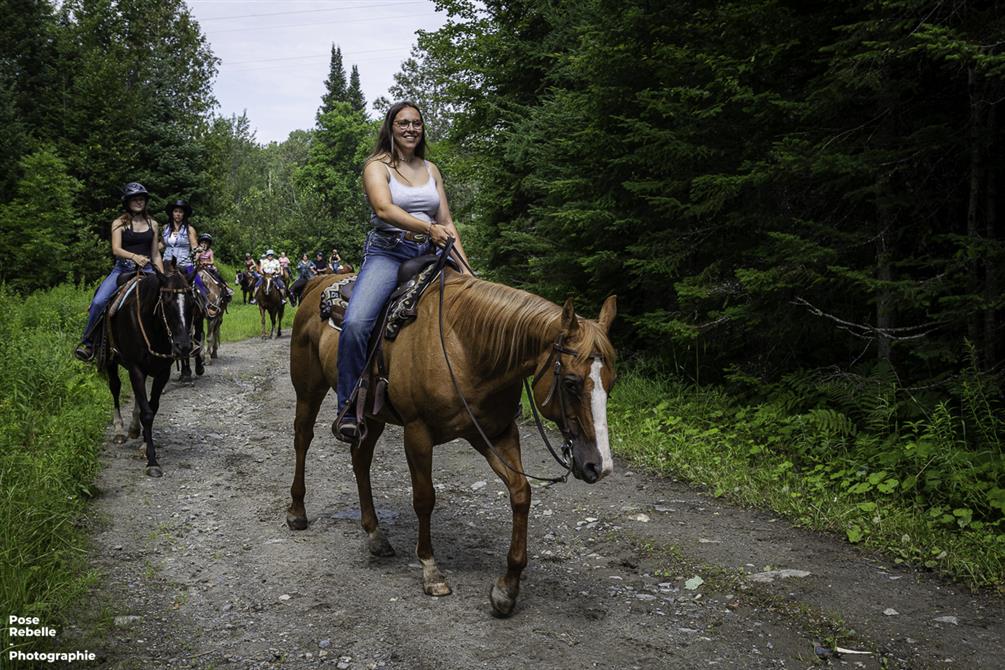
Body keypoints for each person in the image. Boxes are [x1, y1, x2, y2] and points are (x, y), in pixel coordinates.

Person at [334, 101, 470, 442]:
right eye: (403, 123)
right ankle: (349, 406)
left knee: (475, 309)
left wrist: (468, 272)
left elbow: (447, 222)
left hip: (434, 250)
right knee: (355, 322)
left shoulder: (431, 169)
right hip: (390, 252)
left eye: (416, 124)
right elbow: (384, 208)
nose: (411, 129)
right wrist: (427, 230)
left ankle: (476, 395)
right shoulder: (377, 167)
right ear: (391, 127)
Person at [75, 182, 165, 362]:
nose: (139, 202)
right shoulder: (119, 223)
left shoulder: (153, 224)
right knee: (99, 301)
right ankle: (89, 343)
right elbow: (116, 249)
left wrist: (162, 277)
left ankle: (176, 340)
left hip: (147, 269)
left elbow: (155, 254)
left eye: (141, 199)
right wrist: (134, 256)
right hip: (122, 270)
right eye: (135, 199)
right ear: (127, 202)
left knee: (170, 299)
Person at [195, 233, 233, 298]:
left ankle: (225, 286)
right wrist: (198, 254)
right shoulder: (198, 251)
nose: (204, 244)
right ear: (200, 243)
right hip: (200, 268)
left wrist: (206, 263)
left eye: (206, 243)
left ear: (209, 244)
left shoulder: (210, 251)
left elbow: (212, 261)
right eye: (202, 242)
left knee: (216, 273)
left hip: (208, 267)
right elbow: (195, 260)